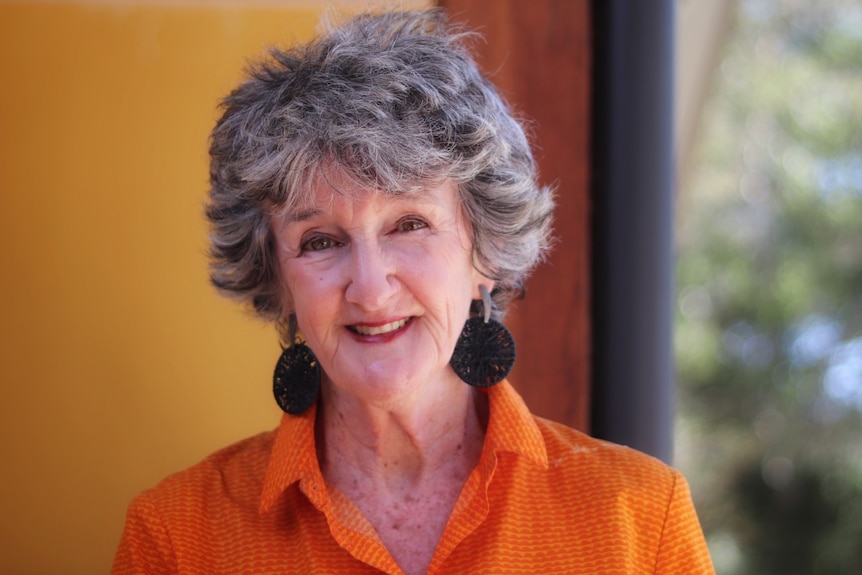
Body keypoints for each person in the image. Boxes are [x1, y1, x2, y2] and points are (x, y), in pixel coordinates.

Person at [112, 9, 714, 575]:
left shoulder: (637, 522)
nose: (371, 291)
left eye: (409, 225)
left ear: (486, 253)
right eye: (320, 241)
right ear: (277, 276)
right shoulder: (178, 539)